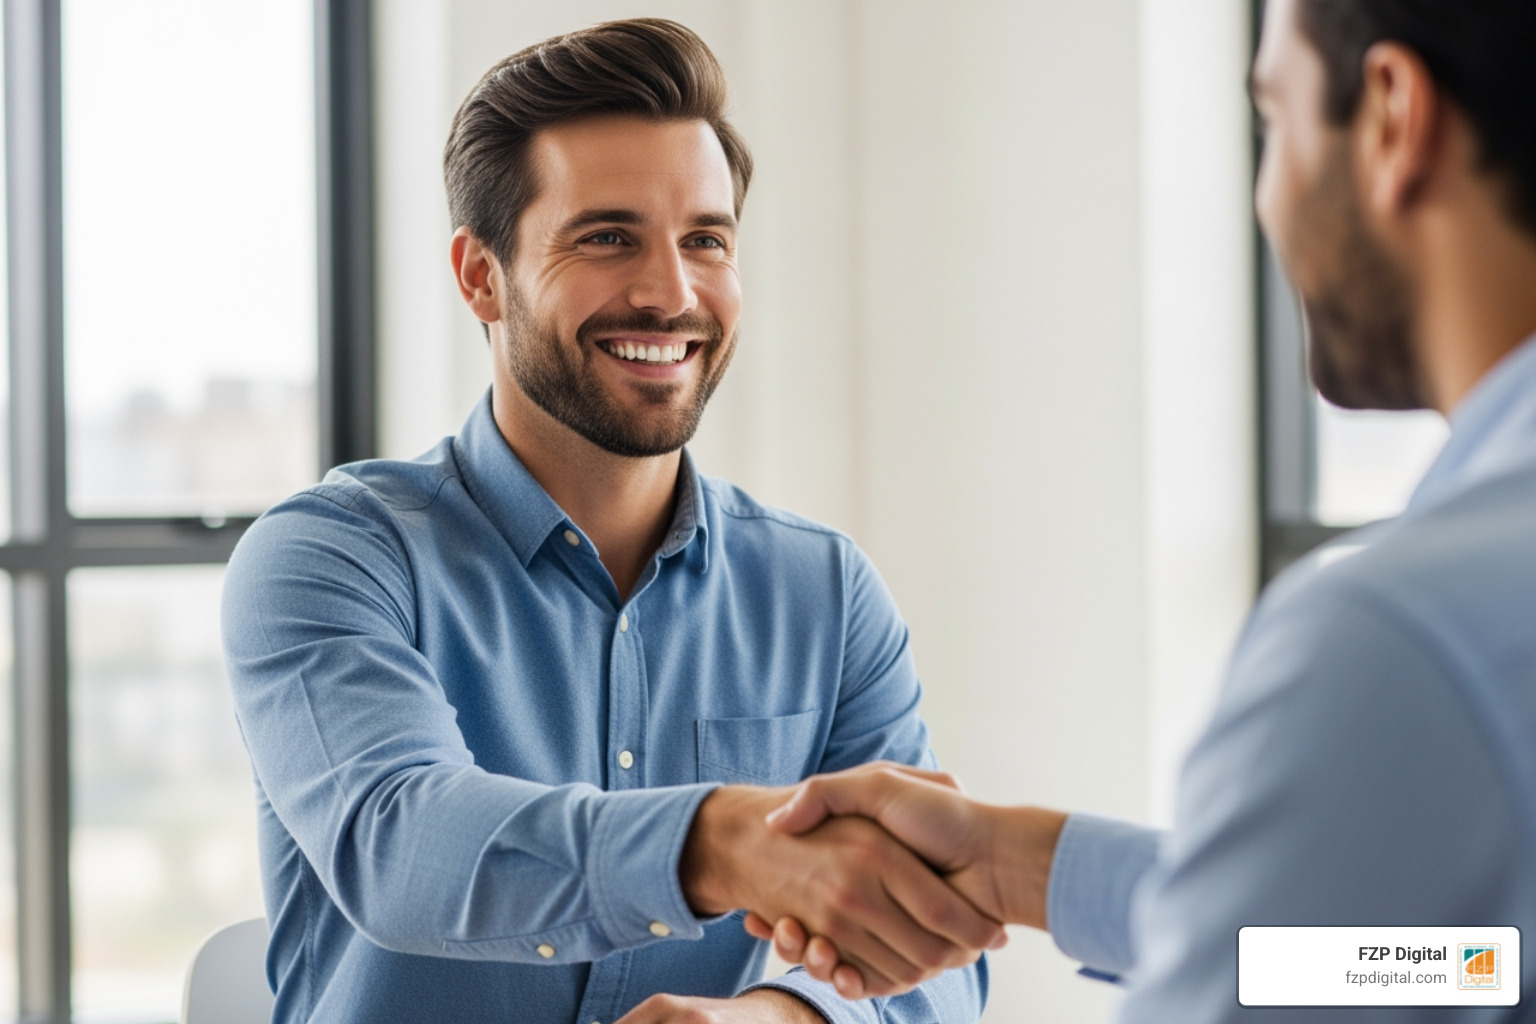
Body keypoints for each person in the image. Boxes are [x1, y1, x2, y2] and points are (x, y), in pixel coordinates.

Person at [746, 0, 1536, 1019]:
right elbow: (1458, 962)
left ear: (1392, 118)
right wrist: (1021, 865)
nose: (1266, 197)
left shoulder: (1394, 642)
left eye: (1275, 123)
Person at [221, 19, 1001, 1024]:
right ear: (478, 276)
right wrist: (717, 843)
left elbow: (935, 952)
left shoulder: (825, 592)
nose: (670, 293)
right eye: (607, 237)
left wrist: (777, 1016)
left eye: (706, 241)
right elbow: (400, 840)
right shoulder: (331, 557)